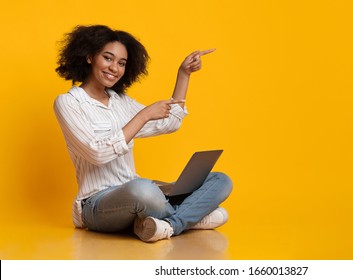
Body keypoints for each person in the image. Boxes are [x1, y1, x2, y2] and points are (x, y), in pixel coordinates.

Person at [53, 25, 232, 243]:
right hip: (96, 204)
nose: (114, 68)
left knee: (220, 180)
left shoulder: (120, 101)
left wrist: (184, 74)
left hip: (140, 195)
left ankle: (167, 225)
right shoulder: (69, 102)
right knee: (144, 189)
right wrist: (143, 115)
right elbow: (97, 154)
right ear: (90, 57)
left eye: (121, 63)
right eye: (108, 58)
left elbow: (170, 123)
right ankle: (190, 217)